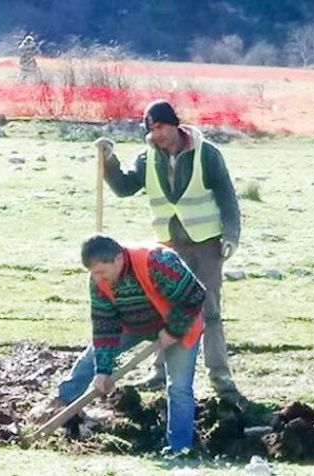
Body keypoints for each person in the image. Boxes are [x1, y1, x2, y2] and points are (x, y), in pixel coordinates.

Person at [93, 100, 245, 406]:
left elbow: (227, 196)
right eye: (151, 129)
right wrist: (108, 161)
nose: (156, 134)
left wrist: (231, 235)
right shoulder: (147, 158)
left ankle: (220, 374)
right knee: (164, 309)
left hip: (205, 243)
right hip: (167, 248)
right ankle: (159, 372)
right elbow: (124, 188)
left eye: (160, 127)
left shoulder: (207, 154)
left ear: (175, 124)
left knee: (209, 310)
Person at [41, 234, 205, 452]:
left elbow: (195, 295)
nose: (97, 278)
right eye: (93, 273)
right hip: (133, 325)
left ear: (118, 259)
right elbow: (104, 326)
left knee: (179, 388)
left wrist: (173, 331)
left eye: (101, 272)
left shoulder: (157, 261)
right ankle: (60, 404)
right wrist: (103, 370)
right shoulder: (98, 281)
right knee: (91, 358)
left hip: (179, 324)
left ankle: (180, 449)